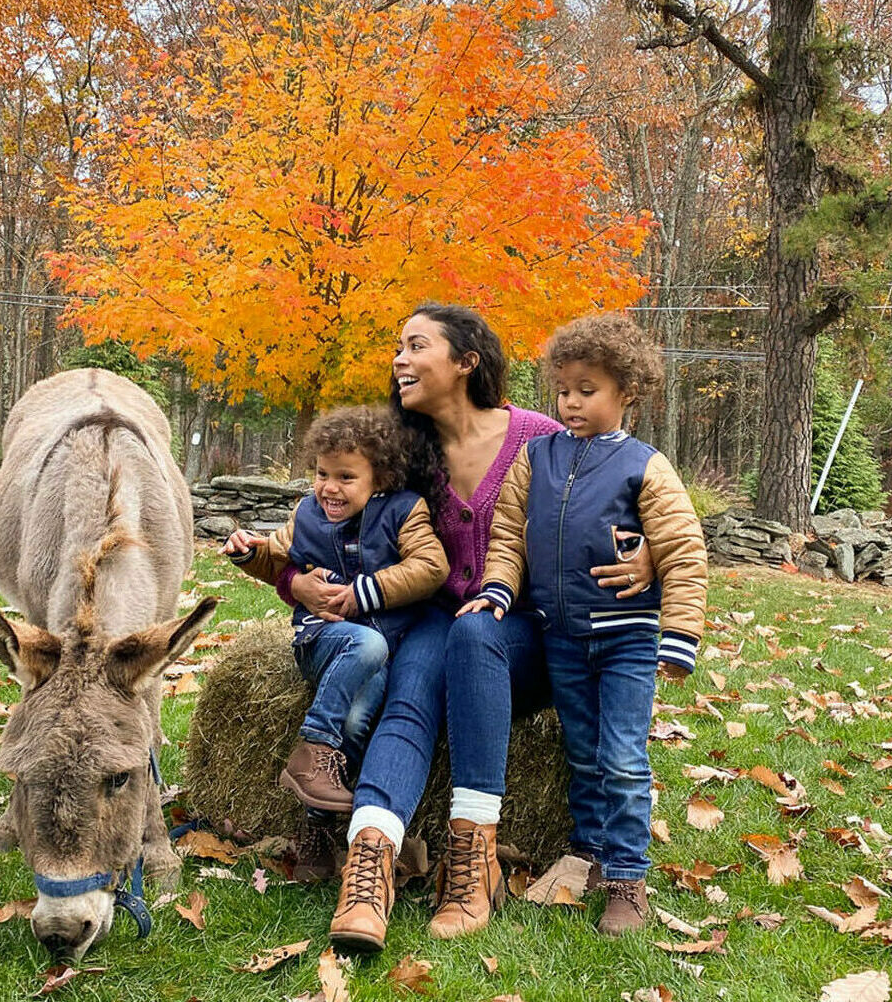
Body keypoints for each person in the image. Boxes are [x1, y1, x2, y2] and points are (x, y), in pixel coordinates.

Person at [284, 303, 652, 952]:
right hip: (435, 623)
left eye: (415, 345)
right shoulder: (399, 457)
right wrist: (295, 582)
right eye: (396, 346)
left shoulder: (542, 436)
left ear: (466, 361)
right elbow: (311, 528)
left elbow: (638, 484)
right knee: (412, 692)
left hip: (532, 634)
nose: (399, 358)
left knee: (476, 632)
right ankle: (368, 872)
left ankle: (472, 859)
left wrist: (647, 549)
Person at [462, 312, 708, 935]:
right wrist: (497, 588)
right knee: (581, 750)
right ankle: (589, 850)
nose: (570, 402)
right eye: (563, 389)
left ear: (627, 391)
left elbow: (681, 548)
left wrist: (679, 635)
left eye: (587, 390)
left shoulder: (644, 467)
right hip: (561, 637)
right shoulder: (535, 457)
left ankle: (628, 877)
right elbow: (510, 535)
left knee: (622, 756)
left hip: (625, 639)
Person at [222, 406, 449, 878]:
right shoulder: (306, 513)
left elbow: (432, 567)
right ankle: (312, 743)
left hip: (384, 644)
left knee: (359, 717)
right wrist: (250, 553)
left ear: (380, 477)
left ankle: (320, 831)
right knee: (364, 648)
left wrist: (365, 593)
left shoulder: (404, 510)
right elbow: (277, 557)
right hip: (324, 640)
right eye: (323, 473)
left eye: (346, 476)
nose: (329, 487)